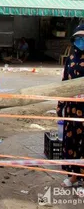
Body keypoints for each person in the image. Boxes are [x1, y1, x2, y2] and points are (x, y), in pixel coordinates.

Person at [57, 24, 84, 188]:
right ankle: (74, 176)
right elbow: (64, 83)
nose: (80, 41)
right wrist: (60, 105)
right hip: (72, 109)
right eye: (78, 39)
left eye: (83, 39)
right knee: (71, 142)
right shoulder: (71, 58)